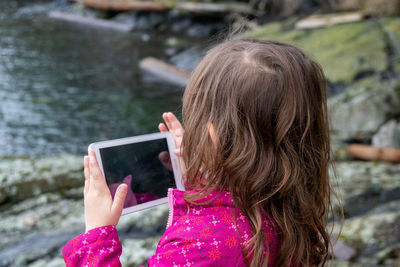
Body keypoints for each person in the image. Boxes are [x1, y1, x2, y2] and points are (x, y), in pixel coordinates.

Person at [62, 40, 336, 266]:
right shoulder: (290, 207)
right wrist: (201, 176)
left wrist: (97, 236)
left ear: (213, 135)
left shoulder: (198, 245)